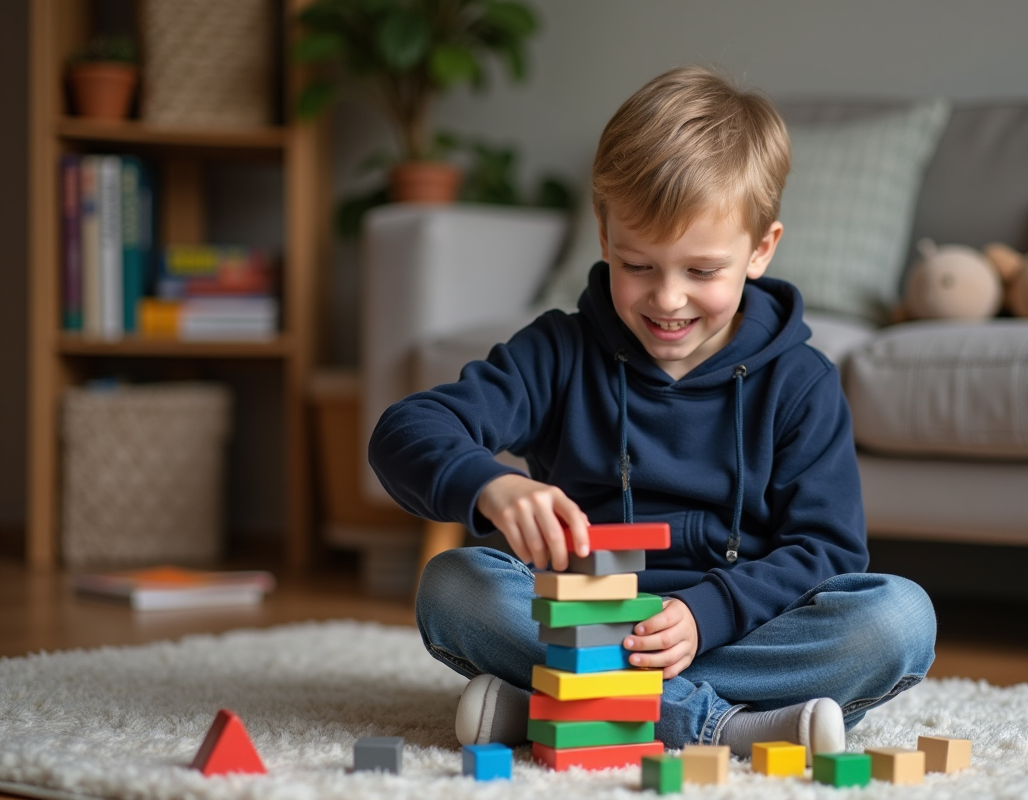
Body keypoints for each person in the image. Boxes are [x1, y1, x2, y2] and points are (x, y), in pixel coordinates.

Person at [368, 65, 936, 759]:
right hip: (584, 621)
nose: (668, 300)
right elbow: (404, 432)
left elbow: (828, 552)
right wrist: (492, 485)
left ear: (760, 250)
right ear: (604, 240)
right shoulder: (557, 351)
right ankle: (725, 727)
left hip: (739, 627)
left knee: (899, 619)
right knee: (454, 588)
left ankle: (564, 707)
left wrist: (707, 613)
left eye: (701, 272)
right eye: (639, 265)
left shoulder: (800, 381)